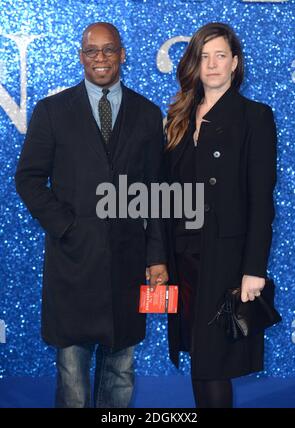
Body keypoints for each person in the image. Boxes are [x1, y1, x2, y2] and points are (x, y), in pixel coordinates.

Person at [15, 22, 168, 408]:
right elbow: (29, 179)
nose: (100, 58)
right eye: (92, 51)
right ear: (81, 56)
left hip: (127, 264)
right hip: (72, 265)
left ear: (122, 54)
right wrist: (66, 226)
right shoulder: (52, 111)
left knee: (120, 375)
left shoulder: (148, 115)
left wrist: (156, 257)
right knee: (73, 379)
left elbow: (155, 194)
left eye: (109, 50)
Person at [164, 22, 277, 408]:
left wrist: (254, 269)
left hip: (225, 260)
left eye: (221, 56)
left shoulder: (254, 117)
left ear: (235, 64)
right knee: (198, 355)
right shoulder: (179, 116)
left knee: (213, 363)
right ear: (194, 63)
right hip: (184, 258)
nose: (212, 64)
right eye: (204, 56)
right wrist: (158, 257)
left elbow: (261, 200)